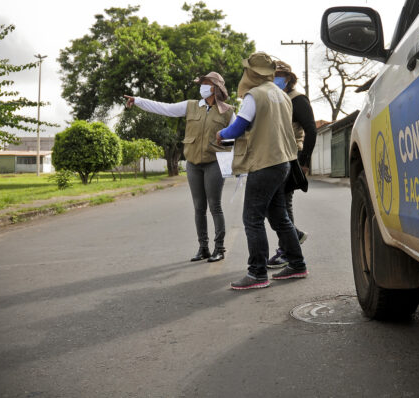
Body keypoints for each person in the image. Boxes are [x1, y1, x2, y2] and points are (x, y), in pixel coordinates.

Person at [216, 52, 308, 290]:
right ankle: (297, 265)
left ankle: (257, 273)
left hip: (265, 163)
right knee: (279, 216)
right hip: (283, 162)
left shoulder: (253, 95)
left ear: (252, 73)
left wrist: (221, 134)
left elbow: (239, 126)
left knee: (252, 219)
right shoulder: (281, 95)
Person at [123, 72, 234, 263]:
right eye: (201, 83)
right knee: (199, 207)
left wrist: (232, 161)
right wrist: (138, 100)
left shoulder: (229, 112)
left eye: (205, 83)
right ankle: (203, 248)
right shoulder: (190, 105)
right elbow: (164, 108)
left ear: (215, 88)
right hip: (193, 164)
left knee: (215, 206)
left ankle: (220, 248)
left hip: (215, 162)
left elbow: (238, 136)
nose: (201, 86)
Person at [267, 60, 317, 269]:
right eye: (273, 75)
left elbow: (311, 130)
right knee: (278, 204)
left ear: (288, 78)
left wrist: (304, 162)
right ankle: (292, 240)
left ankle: (288, 249)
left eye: (279, 75)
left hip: (292, 154)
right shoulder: (277, 99)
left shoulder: (297, 100)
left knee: (282, 204)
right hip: (278, 155)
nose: (275, 79)